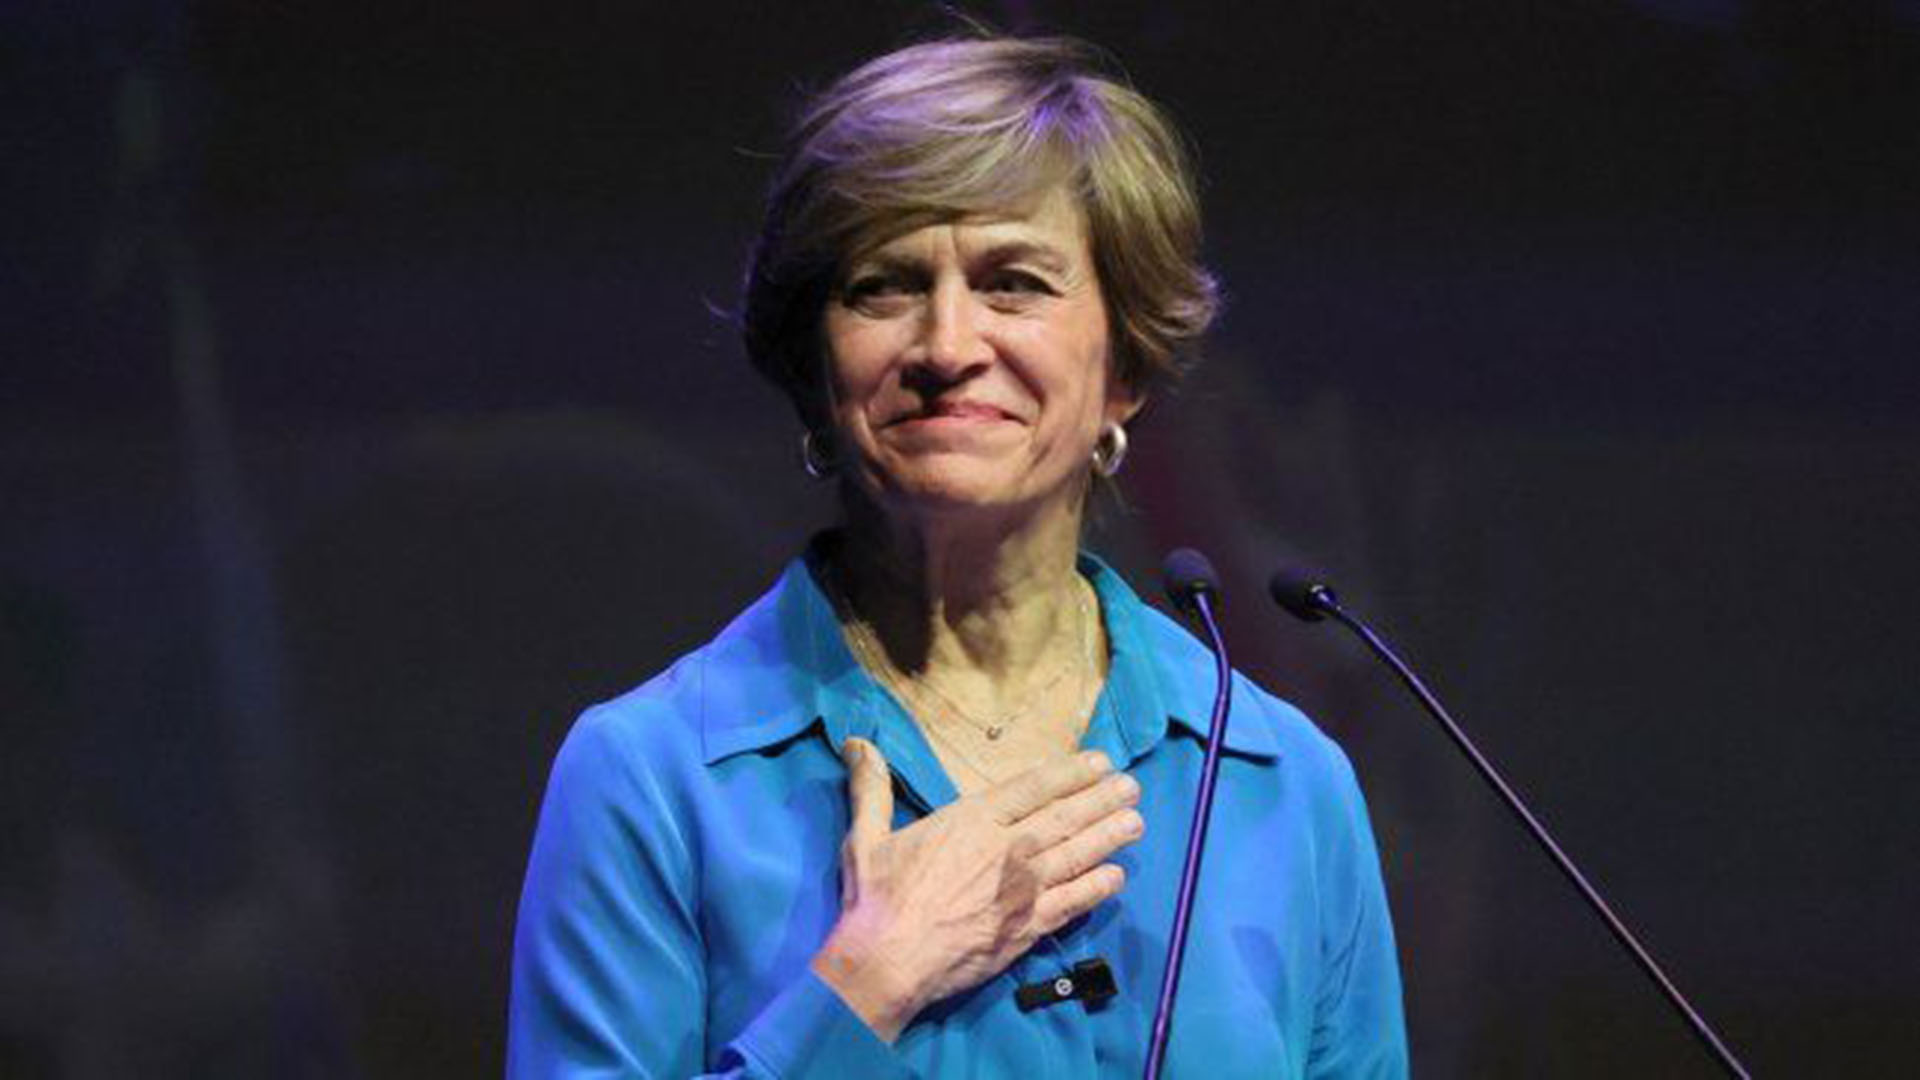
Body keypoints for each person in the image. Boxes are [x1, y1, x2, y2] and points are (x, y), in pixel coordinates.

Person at [509, 34, 1407, 1078]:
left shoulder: (1284, 784)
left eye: (1014, 282)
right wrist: (861, 989)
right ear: (815, 373)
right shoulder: (652, 780)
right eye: (884, 287)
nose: (945, 346)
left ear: (1124, 369)